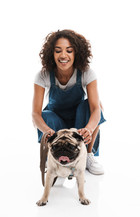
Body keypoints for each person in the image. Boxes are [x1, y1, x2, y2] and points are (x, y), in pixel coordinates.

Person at [32, 29, 106, 175]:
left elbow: (96, 109)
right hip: (57, 126)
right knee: (45, 115)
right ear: (51, 54)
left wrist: (89, 130)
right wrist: (47, 131)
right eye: (58, 51)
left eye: (69, 51)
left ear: (76, 53)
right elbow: (35, 114)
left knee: (93, 105)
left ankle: (88, 155)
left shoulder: (86, 72)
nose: (63, 55)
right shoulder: (43, 75)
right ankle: (54, 158)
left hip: (79, 124)